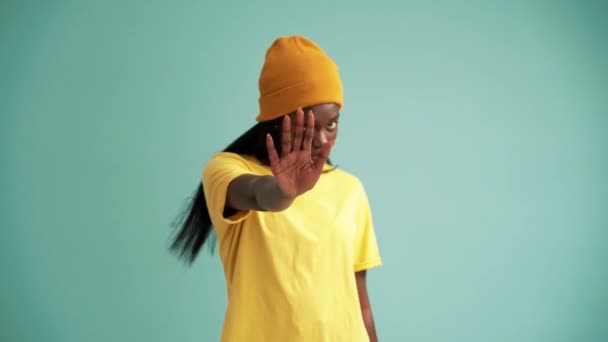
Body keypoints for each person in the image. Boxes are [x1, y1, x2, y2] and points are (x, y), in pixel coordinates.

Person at [170, 35, 383, 342]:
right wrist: (285, 193)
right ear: (277, 120)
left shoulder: (350, 190)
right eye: (309, 126)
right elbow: (258, 194)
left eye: (332, 124)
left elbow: (361, 303)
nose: (322, 140)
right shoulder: (226, 170)